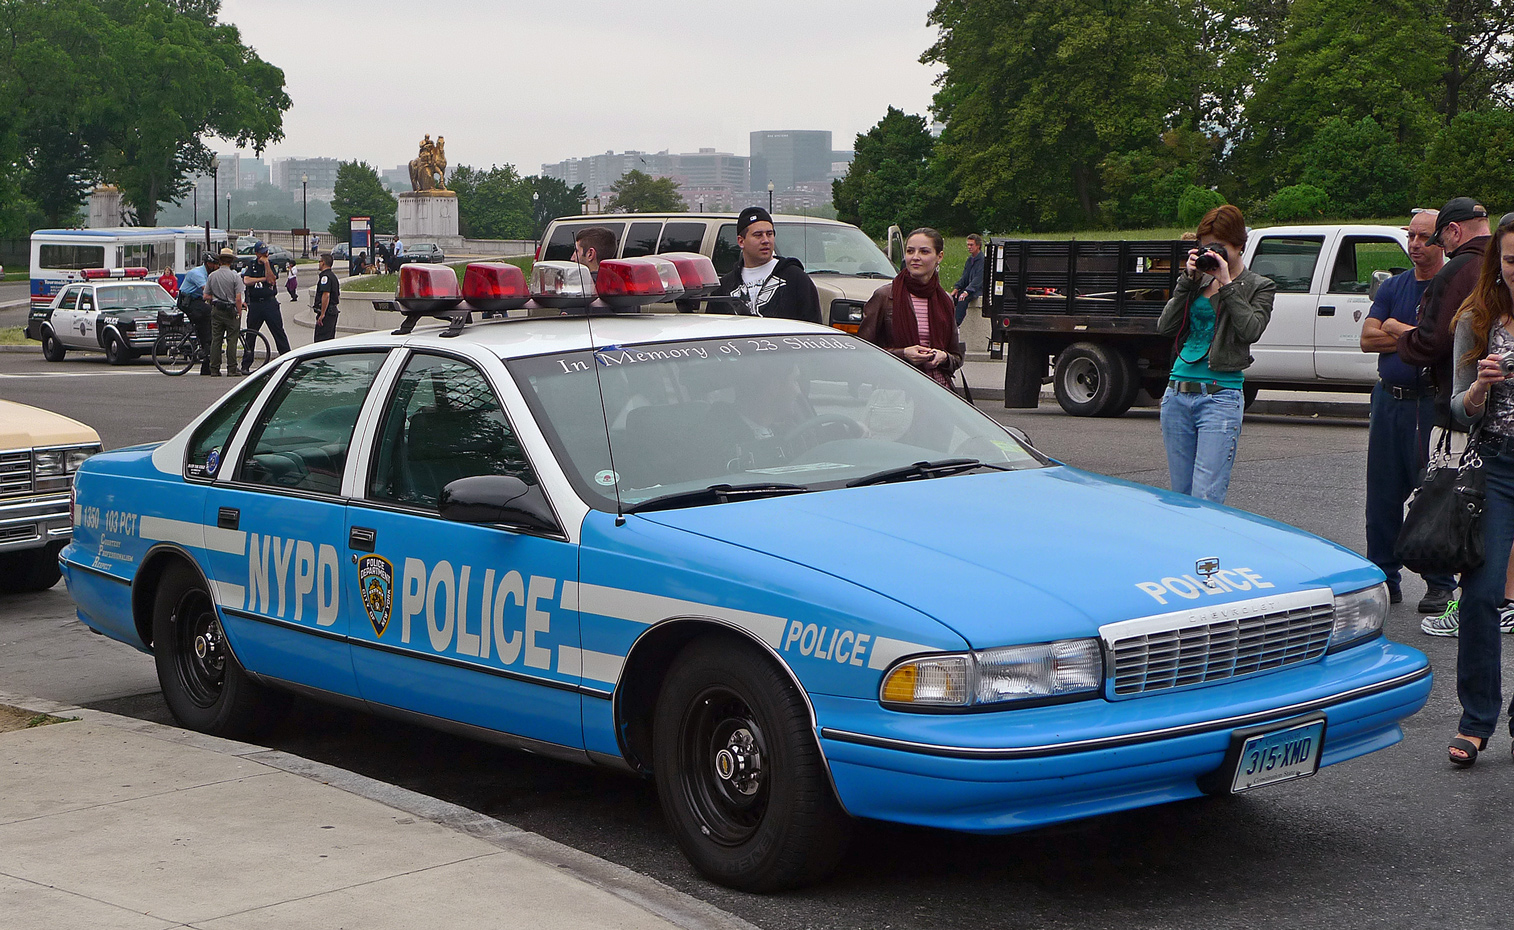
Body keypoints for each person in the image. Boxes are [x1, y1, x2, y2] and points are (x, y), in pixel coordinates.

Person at [1398, 197, 1493, 634]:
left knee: (1461, 508)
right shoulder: (1497, 265)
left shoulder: (1457, 269)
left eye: (1435, 237)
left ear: (1452, 233)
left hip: (1463, 410)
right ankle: (1500, 601)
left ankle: (1467, 601)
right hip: (1502, 414)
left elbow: (1436, 339)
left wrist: (1402, 340)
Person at [1441, 211, 1514, 765]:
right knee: (1482, 593)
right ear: (1498, 262)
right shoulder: (1480, 317)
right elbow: (1457, 405)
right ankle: (1476, 720)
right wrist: (1479, 392)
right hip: (1495, 465)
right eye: (1511, 262)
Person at [1359, 210, 1456, 609]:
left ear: (1440, 241)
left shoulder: (1450, 286)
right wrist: (1414, 339)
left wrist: (1397, 329)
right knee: (1381, 494)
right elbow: (1366, 339)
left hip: (1429, 402)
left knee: (1433, 491)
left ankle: (1439, 583)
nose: (1415, 245)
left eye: (1423, 238)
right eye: (1410, 237)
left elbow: (1439, 345)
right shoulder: (1393, 285)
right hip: (1389, 400)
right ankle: (1384, 577)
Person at [1155, 204, 1276, 504]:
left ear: (1239, 245)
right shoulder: (1197, 281)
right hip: (1176, 394)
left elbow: (1251, 330)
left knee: (1206, 496)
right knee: (1180, 498)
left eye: (1220, 246)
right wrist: (1188, 279)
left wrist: (1228, 283)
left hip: (1220, 397)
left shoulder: (1259, 286)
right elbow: (1165, 326)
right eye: (1205, 245)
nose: (1212, 252)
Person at [858, 227, 963, 390]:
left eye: (924, 252)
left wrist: (943, 357)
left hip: (938, 390)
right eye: (910, 251)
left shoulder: (945, 300)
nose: (915, 257)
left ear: (939, 257)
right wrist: (904, 354)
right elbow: (864, 351)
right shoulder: (885, 296)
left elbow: (956, 356)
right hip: (896, 389)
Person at [711, 206, 821, 323]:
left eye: (769, 234)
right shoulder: (725, 287)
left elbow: (813, 327)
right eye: (758, 235)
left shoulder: (795, 279)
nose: (765, 240)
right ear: (741, 241)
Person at [241, 243, 290, 373]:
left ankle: (288, 358)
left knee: (278, 331)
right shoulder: (251, 265)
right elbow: (246, 280)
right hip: (255, 303)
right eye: (262, 252)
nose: (265, 255)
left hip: (269, 303)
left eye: (266, 252)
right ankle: (246, 364)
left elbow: (272, 280)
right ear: (257, 254)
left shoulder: (272, 264)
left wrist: (267, 264)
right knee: (251, 334)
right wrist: (262, 279)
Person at [205, 247, 245, 377]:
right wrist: (239, 312)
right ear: (231, 262)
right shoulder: (235, 276)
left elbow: (205, 296)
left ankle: (214, 368)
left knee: (216, 339)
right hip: (230, 310)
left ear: (220, 261)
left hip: (217, 309)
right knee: (232, 339)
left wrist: (216, 298)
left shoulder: (212, 276)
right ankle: (232, 368)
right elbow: (238, 298)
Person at [179, 253, 217, 376]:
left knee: (207, 323)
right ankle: (204, 346)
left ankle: (205, 351)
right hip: (186, 301)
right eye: (215, 264)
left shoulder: (208, 274)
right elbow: (206, 291)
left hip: (196, 300)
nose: (217, 266)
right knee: (206, 313)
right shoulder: (197, 274)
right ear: (208, 263)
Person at [951, 233, 985, 326]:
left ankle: (956, 324)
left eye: (971, 245)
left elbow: (978, 279)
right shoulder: (970, 259)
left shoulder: (982, 260)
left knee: (962, 300)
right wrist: (957, 288)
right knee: (952, 298)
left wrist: (967, 291)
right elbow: (965, 276)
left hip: (978, 290)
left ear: (978, 246)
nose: (969, 247)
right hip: (969, 288)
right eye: (968, 245)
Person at [313, 252, 341, 342]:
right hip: (332, 311)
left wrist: (322, 314)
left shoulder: (325, 277)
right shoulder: (333, 276)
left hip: (327, 313)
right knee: (329, 339)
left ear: (323, 263)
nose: (319, 263)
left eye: (319, 261)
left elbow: (326, 295)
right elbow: (338, 295)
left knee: (320, 340)